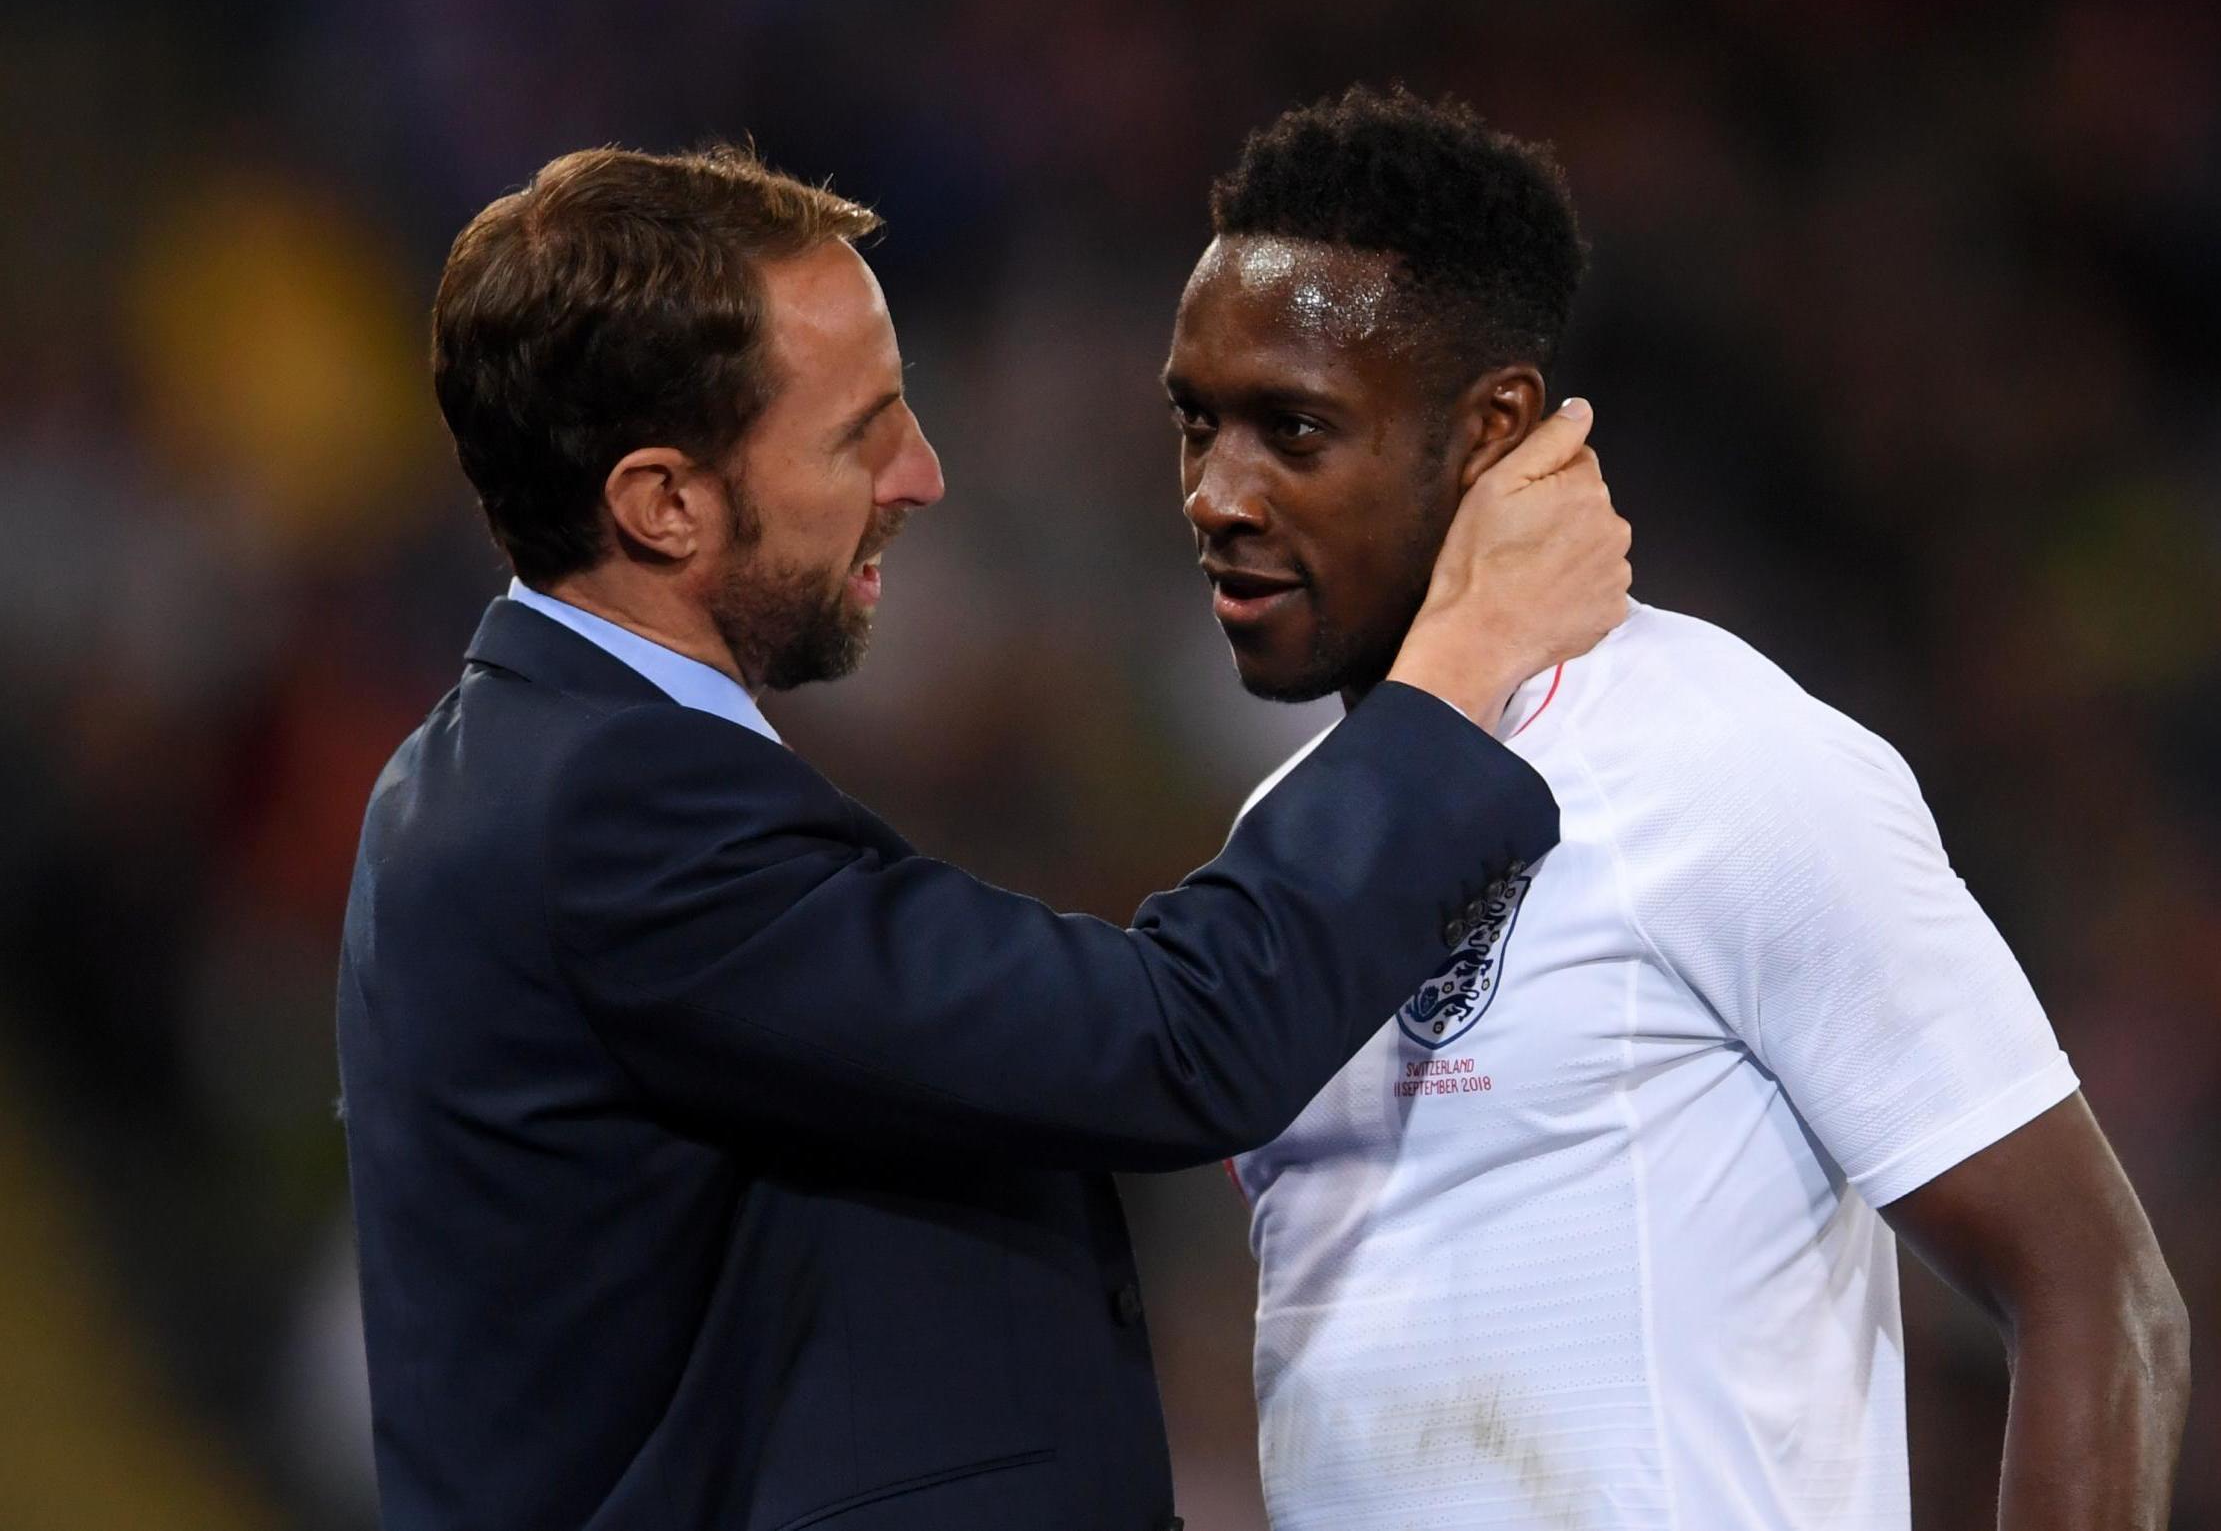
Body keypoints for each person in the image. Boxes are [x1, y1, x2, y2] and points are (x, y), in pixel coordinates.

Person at [337, 142, 1631, 1531]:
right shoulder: (598, 813)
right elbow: (1172, 1042)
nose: (924, 473)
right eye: (858, 432)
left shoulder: (535, 774)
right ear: (664, 502)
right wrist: (1461, 662)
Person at [1165, 88, 2190, 1531]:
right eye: (1196, 423)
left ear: (1490, 429)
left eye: (1293, 429)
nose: (1215, 492)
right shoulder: (1288, 834)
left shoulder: (1727, 763)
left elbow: (2098, 1293)